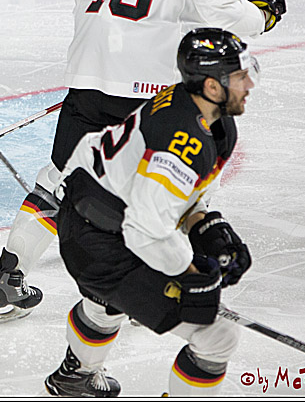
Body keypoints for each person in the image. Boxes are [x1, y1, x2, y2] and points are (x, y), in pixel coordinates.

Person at [0, 0, 287, 326]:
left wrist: (102, 58)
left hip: (90, 69)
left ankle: (9, 275)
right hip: (148, 87)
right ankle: (181, 286)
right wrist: (261, 15)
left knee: (59, 178)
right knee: (171, 184)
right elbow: (217, 9)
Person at [44, 27, 256, 397]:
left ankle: (74, 377)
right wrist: (190, 275)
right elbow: (144, 228)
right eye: (239, 76)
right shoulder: (184, 141)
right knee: (217, 335)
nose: (249, 83)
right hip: (102, 239)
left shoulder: (201, 114)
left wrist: (204, 223)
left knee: (105, 301)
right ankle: (77, 372)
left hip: (92, 213)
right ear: (211, 87)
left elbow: (172, 196)